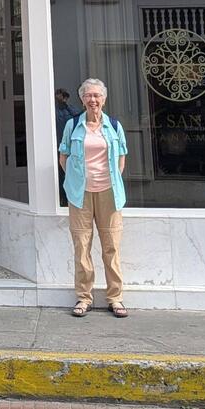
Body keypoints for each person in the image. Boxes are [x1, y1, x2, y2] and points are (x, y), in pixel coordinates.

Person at [58, 77, 128, 318]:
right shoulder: (72, 125)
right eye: (88, 95)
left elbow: (121, 157)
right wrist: (77, 181)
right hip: (80, 195)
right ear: (82, 99)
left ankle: (115, 298)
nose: (93, 100)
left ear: (104, 99)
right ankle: (84, 298)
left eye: (97, 95)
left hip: (109, 193)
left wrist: (109, 181)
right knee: (82, 247)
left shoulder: (114, 126)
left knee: (111, 247)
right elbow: (64, 156)